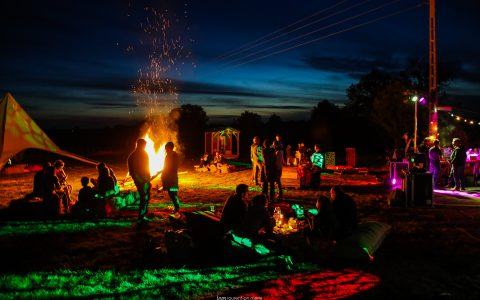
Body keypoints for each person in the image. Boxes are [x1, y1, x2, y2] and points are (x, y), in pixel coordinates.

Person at [128, 138, 151, 223]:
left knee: (147, 197)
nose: (145, 147)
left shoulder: (145, 153)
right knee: (143, 197)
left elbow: (147, 166)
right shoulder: (132, 156)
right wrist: (140, 180)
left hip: (146, 179)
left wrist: (148, 178)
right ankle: (141, 216)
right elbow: (132, 171)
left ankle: (144, 213)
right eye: (144, 145)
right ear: (139, 144)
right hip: (140, 181)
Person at [161, 141, 181, 213]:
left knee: (173, 193)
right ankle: (176, 208)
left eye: (166, 149)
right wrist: (163, 172)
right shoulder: (167, 156)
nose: (165, 150)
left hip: (172, 179)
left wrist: (167, 171)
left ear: (170, 148)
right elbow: (165, 166)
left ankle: (177, 208)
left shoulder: (174, 156)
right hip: (168, 179)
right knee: (170, 193)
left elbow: (174, 167)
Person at [261, 139, 277, 203]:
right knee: (272, 184)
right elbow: (274, 159)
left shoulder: (264, 150)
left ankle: (265, 197)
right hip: (272, 168)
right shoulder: (273, 150)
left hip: (266, 168)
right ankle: (272, 198)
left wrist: (265, 171)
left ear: (264, 144)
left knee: (265, 183)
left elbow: (265, 161)